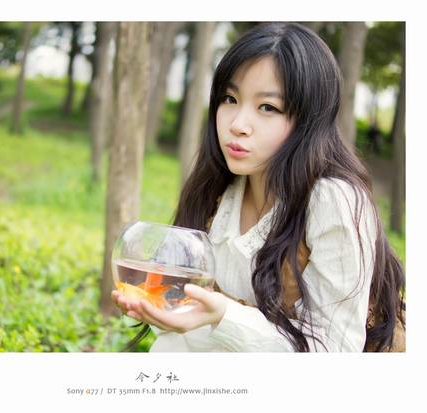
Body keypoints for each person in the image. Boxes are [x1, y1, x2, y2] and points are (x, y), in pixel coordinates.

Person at [111, 22, 405, 352]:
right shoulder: (217, 189)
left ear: (309, 120)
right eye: (229, 99)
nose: (237, 125)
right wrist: (161, 308)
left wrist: (224, 316)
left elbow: (334, 350)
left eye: (268, 107)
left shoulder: (332, 200)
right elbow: (182, 326)